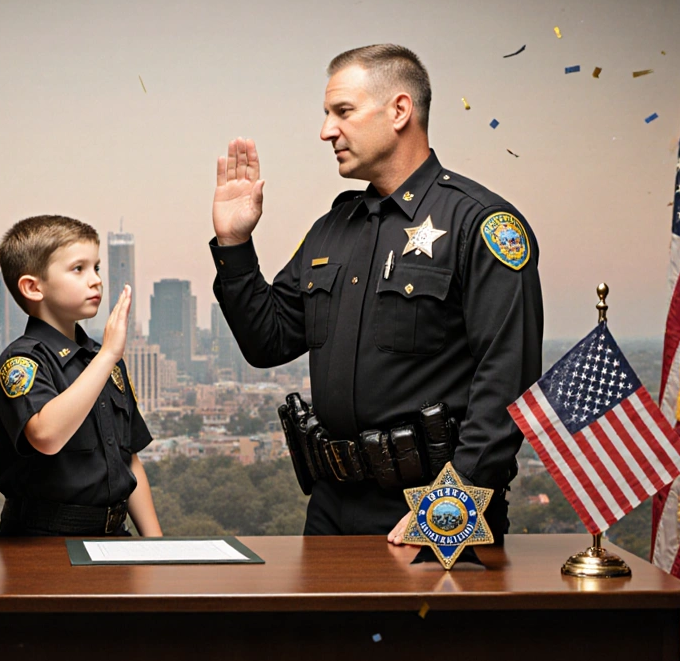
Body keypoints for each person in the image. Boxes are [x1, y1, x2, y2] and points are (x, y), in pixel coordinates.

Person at [208, 44, 543, 541]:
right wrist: (234, 243)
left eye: (342, 111)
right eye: (327, 114)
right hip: (330, 506)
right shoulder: (331, 228)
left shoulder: (479, 223)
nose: (326, 130)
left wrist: (446, 513)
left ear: (400, 110)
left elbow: (506, 384)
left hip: (434, 507)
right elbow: (268, 342)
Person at [0, 215, 162, 537]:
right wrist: (108, 354)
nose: (96, 281)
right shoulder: (23, 361)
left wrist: (157, 545)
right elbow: (46, 436)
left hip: (115, 536)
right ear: (33, 287)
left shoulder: (104, 359)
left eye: (97, 268)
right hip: (42, 540)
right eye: (78, 269)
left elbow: (128, 461)